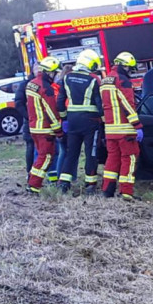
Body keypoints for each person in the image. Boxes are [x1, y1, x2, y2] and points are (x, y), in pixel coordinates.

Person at [57, 49, 104, 195]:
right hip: (91, 121)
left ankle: (64, 183)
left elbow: (60, 101)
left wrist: (64, 118)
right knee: (91, 152)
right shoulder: (93, 79)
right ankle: (90, 185)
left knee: (72, 152)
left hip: (72, 120)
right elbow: (99, 103)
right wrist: (104, 121)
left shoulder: (67, 78)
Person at [100, 51, 143, 201]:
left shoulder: (105, 80)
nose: (131, 72)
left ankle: (107, 190)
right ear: (125, 67)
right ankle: (126, 192)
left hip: (110, 129)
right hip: (125, 129)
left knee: (112, 158)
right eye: (130, 69)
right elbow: (127, 105)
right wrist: (137, 125)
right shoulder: (122, 80)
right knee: (130, 158)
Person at [25, 56, 63, 194]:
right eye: (54, 73)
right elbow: (50, 111)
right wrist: (58, 130)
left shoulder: (32, 83)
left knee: (41, 155)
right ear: (49, 72)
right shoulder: (46, 88)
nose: (55, 76)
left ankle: (32, 182)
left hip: (34, 127)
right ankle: (34, 185)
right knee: (46, 157)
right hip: (45, 128)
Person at [14, 67, 37, 178]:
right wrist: (29, 117)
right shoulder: (25, 85)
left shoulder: (47, 83)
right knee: (31, 146)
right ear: (33, 70)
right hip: (30, 122)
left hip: (45, 121)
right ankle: (30, 172)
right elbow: (19, 103)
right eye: (37, 68)